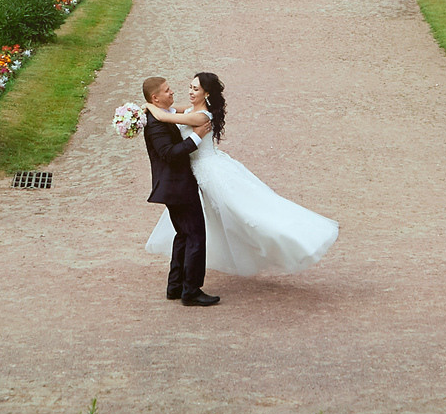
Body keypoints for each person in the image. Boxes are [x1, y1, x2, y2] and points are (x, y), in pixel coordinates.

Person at [144, 72, 337, 290]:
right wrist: (152, 106)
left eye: (195, 89)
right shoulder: (190, 110)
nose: (190, 91)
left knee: (243, 212)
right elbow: (172, 110)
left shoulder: (201, 117)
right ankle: (183, 285)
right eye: (190, 87)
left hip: (210, 171)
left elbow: (165, 117)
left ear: (206, 93)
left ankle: (289, 237)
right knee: (198, 228)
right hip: (197, 173)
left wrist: (148, 106)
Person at [140, 77, 215, 306]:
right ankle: (191, 291)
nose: (172, 92)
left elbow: (177, 113)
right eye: (167, 90)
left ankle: (176, 286)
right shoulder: (155, 124)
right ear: (156, 98)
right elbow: (169, 154)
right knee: (195, 236)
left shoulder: (161, 113)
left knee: (183, 235)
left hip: (175, 186)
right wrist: (197, 136)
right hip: (177, 186)